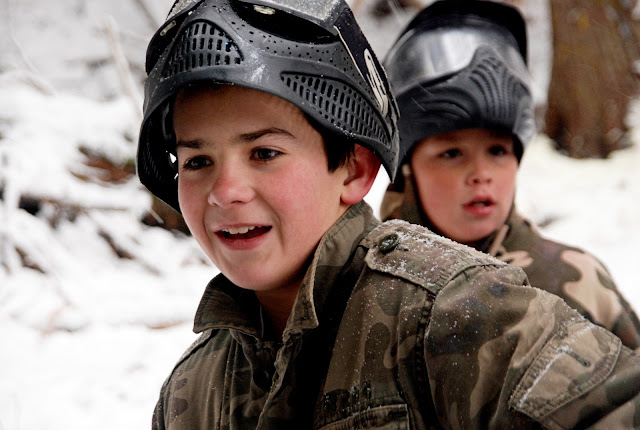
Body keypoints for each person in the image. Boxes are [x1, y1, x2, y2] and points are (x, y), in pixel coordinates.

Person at [137, 0, 640, 428]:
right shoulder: (192, 391)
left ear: (354, 170)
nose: (225, 192)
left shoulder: (452, 312)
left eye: (264, 153)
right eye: (197, 161)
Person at [380, 0, 640, 350]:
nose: (481, 174)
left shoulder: (574, 283)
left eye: (498, 151)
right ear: (407, 168)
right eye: (452, 153)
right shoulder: (366, 289)